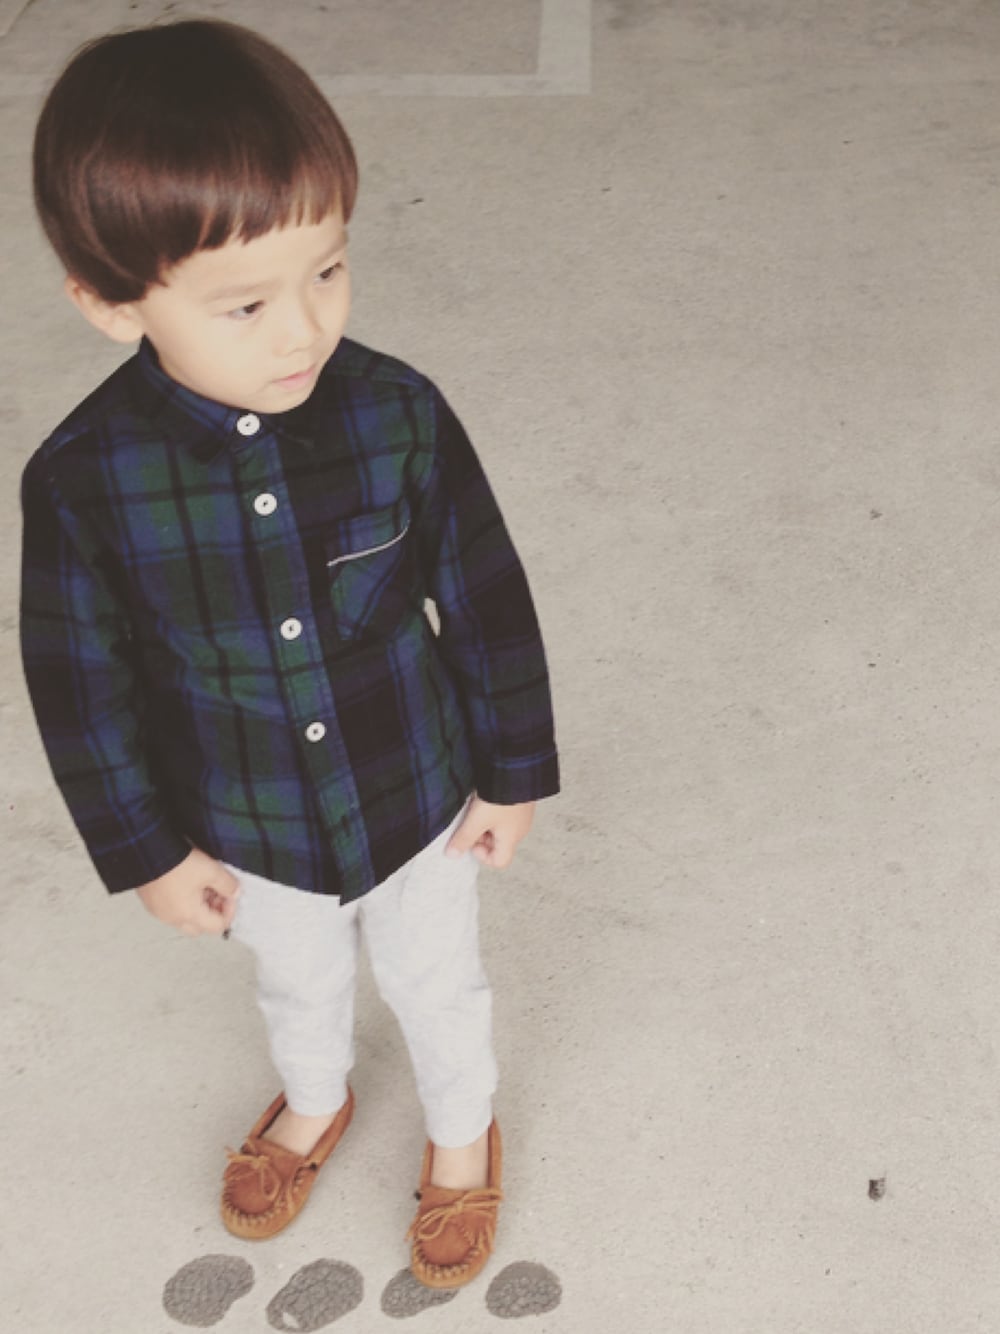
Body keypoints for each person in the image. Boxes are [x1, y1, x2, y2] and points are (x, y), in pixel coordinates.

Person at [21, 19, 558, 1291]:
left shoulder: (398, 413)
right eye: (246, 304)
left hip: (416, 796)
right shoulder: (85, 482)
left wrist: (511, 770)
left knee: (439, 981)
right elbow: (81, 686)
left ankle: (461, 1126)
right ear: (109, 303)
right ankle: (315, 1099)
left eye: (328, 269)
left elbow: (484, 593)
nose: (301, 330)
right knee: (296, 983)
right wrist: (149, 850)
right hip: (246, 818)